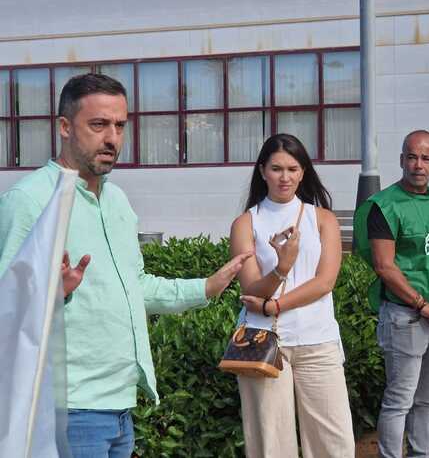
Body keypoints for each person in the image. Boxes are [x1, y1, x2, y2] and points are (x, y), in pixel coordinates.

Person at [0, 73, 252, 458]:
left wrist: (206, 287)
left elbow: (135, 286)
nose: (112, 138)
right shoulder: (29, 200)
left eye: (120, 125)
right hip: (68, 409)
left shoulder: (118, 201)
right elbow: (7, 306)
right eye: (98, 124)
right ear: (65, 127)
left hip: (121, 407)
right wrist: (53, 295)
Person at [229, 134, 354, 458]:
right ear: (262, 171)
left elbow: (325, 282)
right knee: (271, 446)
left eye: (292, 169)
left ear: (303, 172)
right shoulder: (246, 223)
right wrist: (281, 268)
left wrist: (274, 305)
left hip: (318, 341)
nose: (284, 177)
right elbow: (251, 289)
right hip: (263, 342)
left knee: (335, 444)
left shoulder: (323, 219)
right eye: (276, 169)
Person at [353, 130, 429, 458]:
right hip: (405, 315)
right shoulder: (385, 206)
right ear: (402, 159)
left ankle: (421, 454)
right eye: (412, 157)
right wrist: (420, 303)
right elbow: (384, 266)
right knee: (399, 400)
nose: (418, 165)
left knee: (425, 400)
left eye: (426, 158)